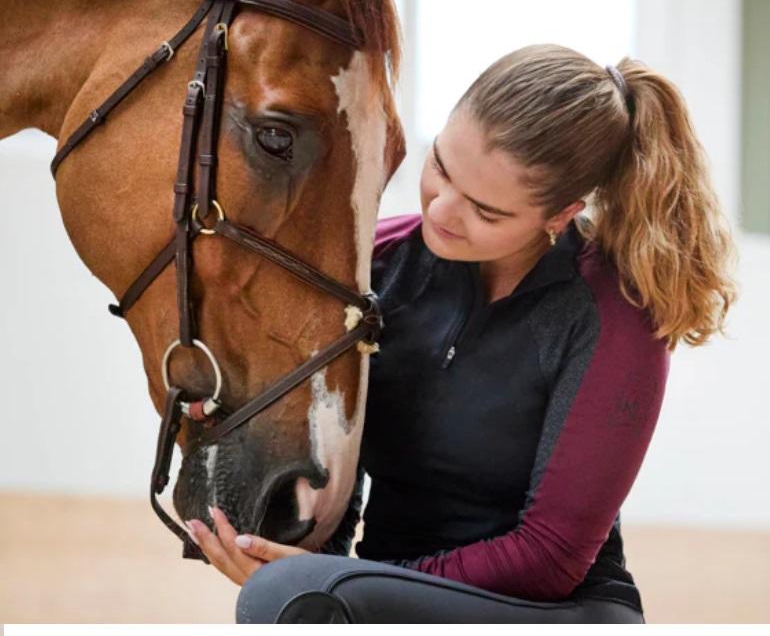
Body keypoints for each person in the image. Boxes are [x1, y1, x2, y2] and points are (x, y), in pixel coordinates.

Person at [185, 44, 738, 623]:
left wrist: (333, 580)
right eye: (440, 167)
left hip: (557, 611)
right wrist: (301, 550)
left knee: (291, 594)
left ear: (559, 214)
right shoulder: (377, 265)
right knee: (290, 593)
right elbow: (337, 470)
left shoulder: (615, 313)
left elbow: (552, 558)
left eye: (486, 211)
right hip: (379, 591)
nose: (443, 211)